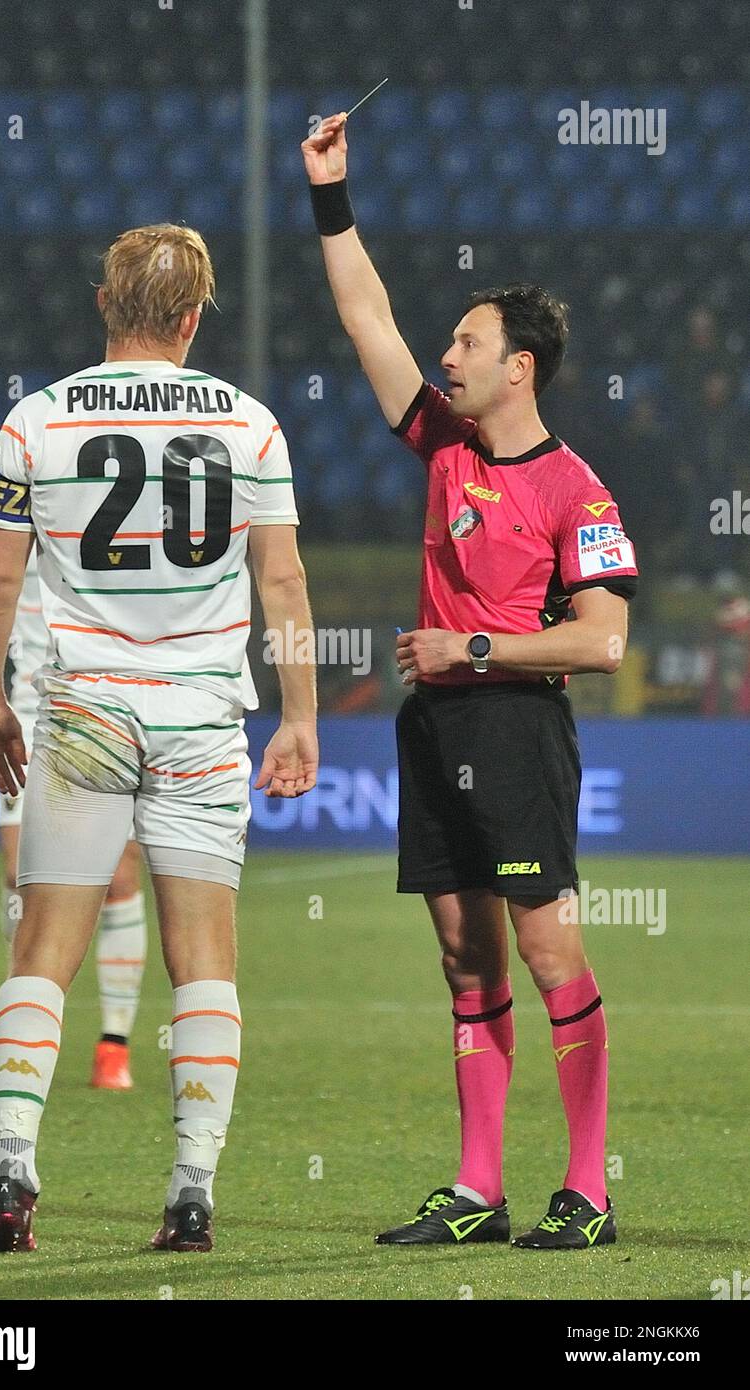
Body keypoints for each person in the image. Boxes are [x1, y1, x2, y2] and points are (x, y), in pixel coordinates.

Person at [301, 115, 638, 1249]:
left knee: (550, 953)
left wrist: (474, 649)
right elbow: (364, 317)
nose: (444, 356)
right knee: (463, 956)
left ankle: (585, 1190)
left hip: (510, 725)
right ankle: (476, 1191)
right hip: (430, 722)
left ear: (517, 366)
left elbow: (601, 642)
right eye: (446, 341)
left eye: (465, 341)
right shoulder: (442, 445)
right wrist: (330, 197)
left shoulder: (574, 491)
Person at [0, 223, 318, 1254]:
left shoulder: (34, 420)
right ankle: (190, 1192)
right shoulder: (251, 425)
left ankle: (10, 1172)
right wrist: (298, 713)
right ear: (192, 316)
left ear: (102, 304)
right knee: (202, 956)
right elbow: (283, 582)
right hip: (202, 718)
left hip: (79, 713)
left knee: (41, 949)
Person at [0, 542, 147, 1090]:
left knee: (117, 878)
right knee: (19, 872)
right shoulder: (19, 506)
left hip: (110, 701)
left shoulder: (126, 510)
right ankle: (22, 1027)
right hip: (27, 708)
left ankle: (114, 1045)